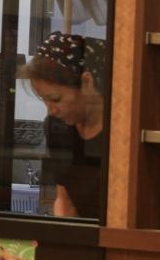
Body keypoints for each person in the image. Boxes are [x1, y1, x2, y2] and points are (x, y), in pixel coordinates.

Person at [20, 31, 106, 219]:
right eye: (44, 100)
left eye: (56, 99)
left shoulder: (120, 130)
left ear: (86, 82)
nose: (51, 110)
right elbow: (65, 199)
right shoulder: (58, 128)